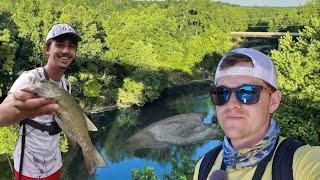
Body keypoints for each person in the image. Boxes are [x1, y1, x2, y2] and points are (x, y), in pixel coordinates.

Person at [193, 48, 320, 180]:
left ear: (273, 101)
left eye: (247, 93)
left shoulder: (301, 163)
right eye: (222, 93)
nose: (231, 104)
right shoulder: (204, 166)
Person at [1, 23, 81, 180]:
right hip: (28, 167)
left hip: (54, 163)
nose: (66, 50)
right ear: (47, 49)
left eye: (71, 46)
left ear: (75, 53)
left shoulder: (66, 85)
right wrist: (16, 110)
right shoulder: (31, 79)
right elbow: (3, 111)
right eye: (59, 45)